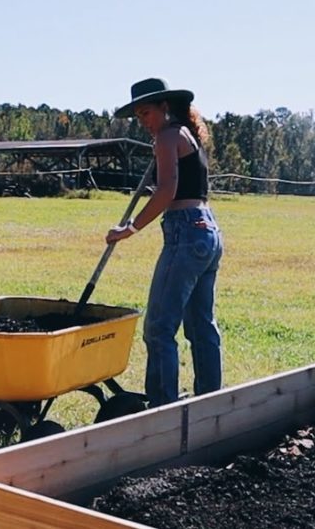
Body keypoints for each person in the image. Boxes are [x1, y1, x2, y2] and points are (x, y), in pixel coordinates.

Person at [106, 77, 224, 408]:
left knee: (158, 328)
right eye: (139, 116)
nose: (144, 122)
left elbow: (167, 191)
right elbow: (181, 185)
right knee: (201, 327)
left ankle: (161, 413)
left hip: (185, 234)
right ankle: (211, 403)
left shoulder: (167, 135)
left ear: (165, 106)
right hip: (207, 232)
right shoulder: (186, 135)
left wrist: (131, 228)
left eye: (146, 113)